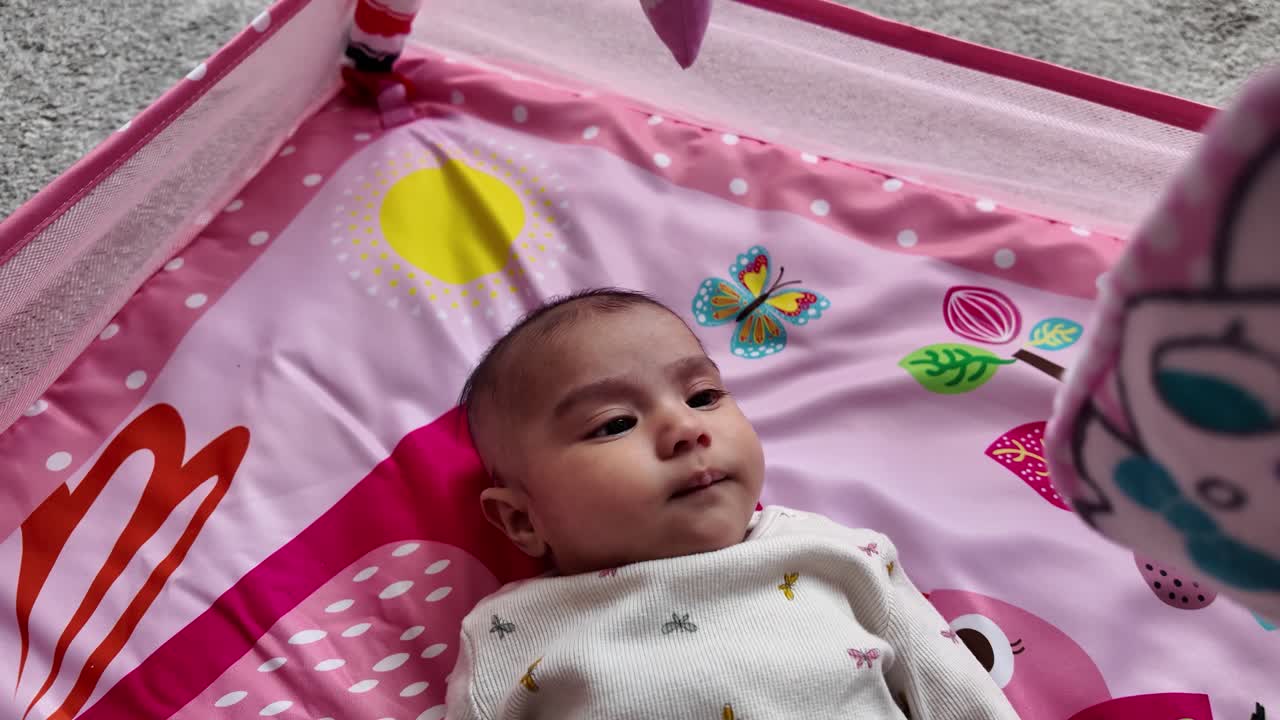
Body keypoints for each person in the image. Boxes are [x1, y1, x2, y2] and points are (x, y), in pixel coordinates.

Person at [445, 288, 1019, 719]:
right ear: (522, 518)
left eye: (704, 395)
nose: (685, 428)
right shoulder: (507, 629)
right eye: (614, 423)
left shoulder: (837, 553)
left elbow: (958, 696)